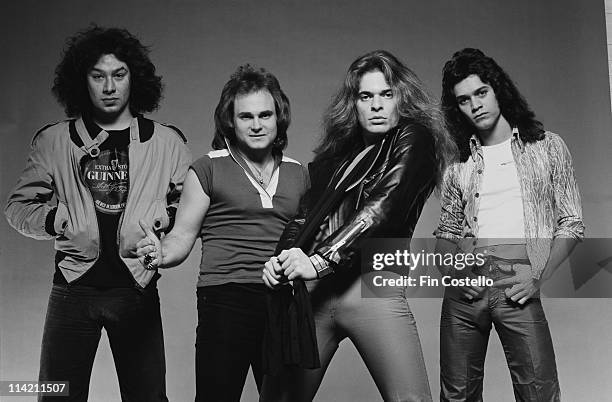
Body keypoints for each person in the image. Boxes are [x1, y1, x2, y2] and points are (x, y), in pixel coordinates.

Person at [5, 26, 191, 401]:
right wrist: (55, 220)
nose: (109, 87)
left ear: (133, 79)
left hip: (136, 288)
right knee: (57, 396)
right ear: (82, 81)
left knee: (148, 397)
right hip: (72, 288)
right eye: (98, 76)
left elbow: (190, 208)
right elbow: (17, 207)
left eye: (118, 75)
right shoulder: (54, 141)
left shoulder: (167, 142)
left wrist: (161, 224)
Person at [260, 50, 456, 402]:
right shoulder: (333, 159)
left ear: (402, 98)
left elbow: (383, 206)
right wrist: (281, 260)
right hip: (315, 293)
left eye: (386, 94)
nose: (377, 105)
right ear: (354, 104)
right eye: (366, 96)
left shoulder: (414, 139)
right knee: (279, 398)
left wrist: (320, 259)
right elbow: (304, 217)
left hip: (371, 286)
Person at [136, 64, 308, 402]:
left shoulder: (299, 173)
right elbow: (183, 235)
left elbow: (308, 243)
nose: (257, 125)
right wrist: (160, 254)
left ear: (279, 117)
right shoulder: (207, 167)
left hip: (283, 301)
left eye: (265, 115)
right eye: (246, 117)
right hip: (225, 298)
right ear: (230, 120)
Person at [435, 48, 585, 401]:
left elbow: (572, 223)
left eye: (481, 93)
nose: (475, 105)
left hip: (517, 280)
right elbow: (445, 235)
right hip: (465, 287)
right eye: (464, 100)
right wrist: (452, 274)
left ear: (498, 88)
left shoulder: (547, 147)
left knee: (539, 392)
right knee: (457, 396)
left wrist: (537, 274)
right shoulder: (458, 163)